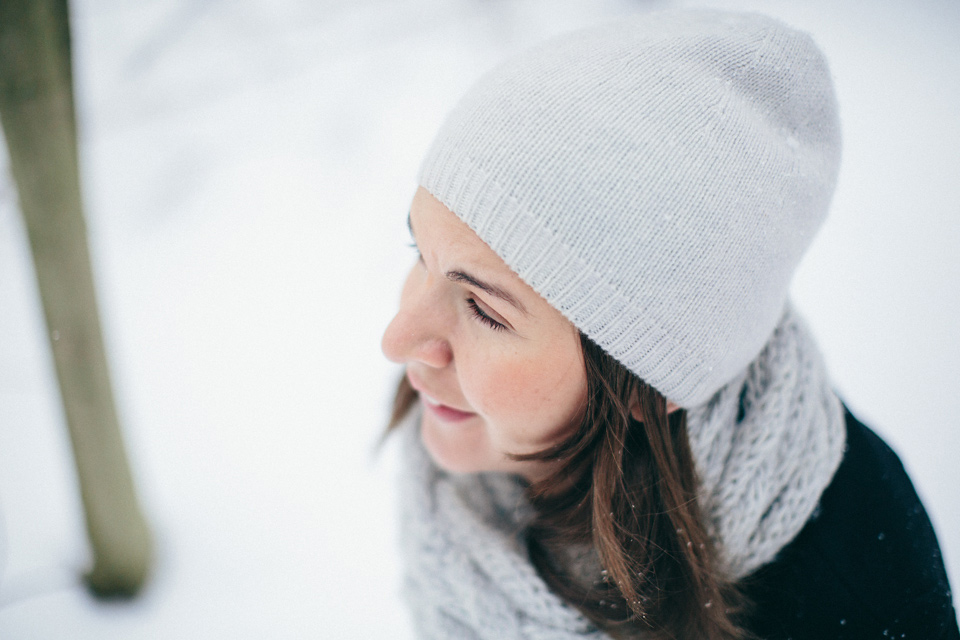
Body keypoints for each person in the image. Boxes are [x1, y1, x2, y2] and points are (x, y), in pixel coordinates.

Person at [380, 9, 960, 640]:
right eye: (421, 254)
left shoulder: (855, 594)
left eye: (484, 310)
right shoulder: (465, 471)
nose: (397, 339)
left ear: (642, 380)